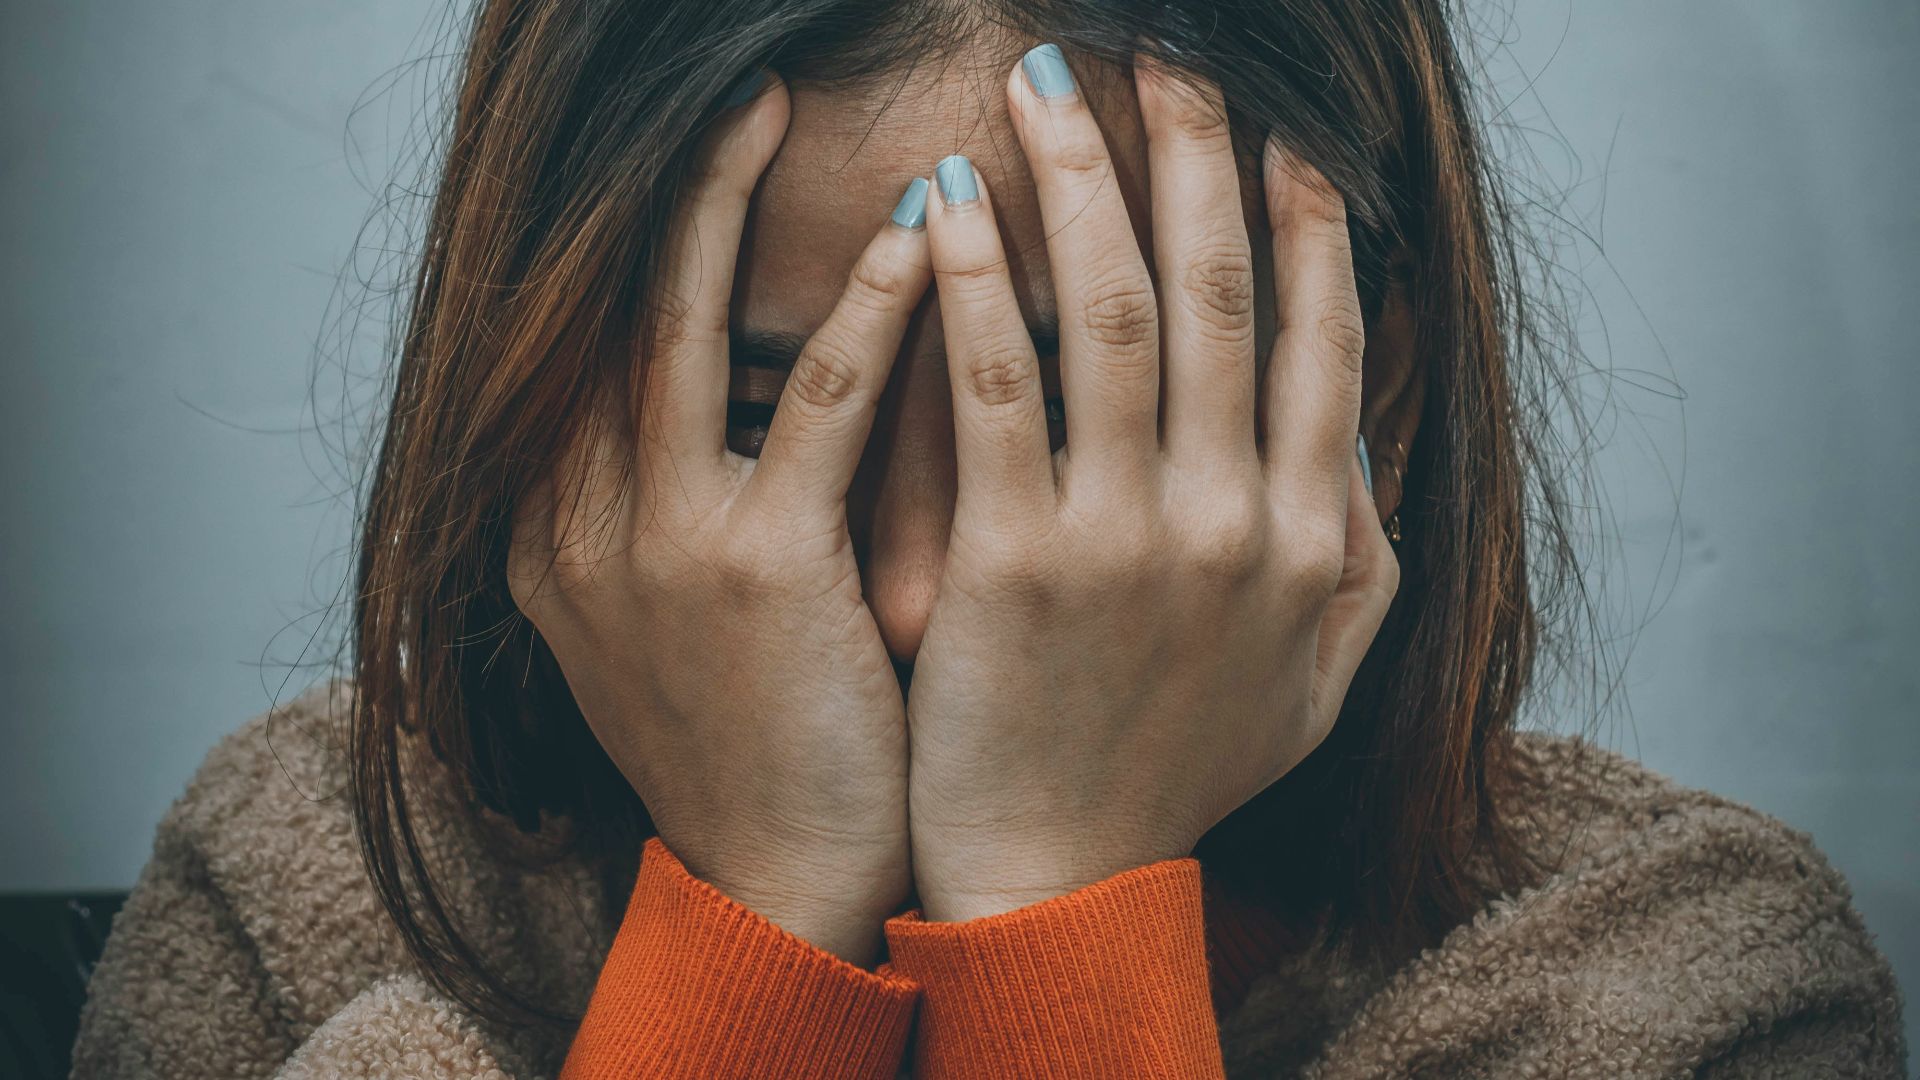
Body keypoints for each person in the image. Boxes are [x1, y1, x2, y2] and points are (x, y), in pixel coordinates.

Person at [71, 1, 1907, 1077]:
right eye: (763, 417)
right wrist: (756, 925)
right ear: (539, 383)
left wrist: (1052, 901)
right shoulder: (303, 900)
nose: (919, 588)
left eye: (1088, 426)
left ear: (1372, 386)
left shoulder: (1683, 992)